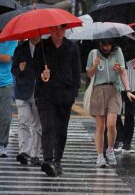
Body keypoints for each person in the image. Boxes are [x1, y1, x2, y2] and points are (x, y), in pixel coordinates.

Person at [33, 25, 81, 177]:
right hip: (45, 95)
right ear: (50, 30)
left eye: (61, 29)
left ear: (65, 30)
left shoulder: (72, 48)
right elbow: (34, 67)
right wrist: (42, 74)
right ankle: (48, 160)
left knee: (61, 131)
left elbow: (76, 73)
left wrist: (73, 94)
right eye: (55, 29)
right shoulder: (42, 46)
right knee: (47, 127)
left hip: (65, 96)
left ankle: (58, 160)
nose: (58, 32)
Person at [86, 38, 135, 168]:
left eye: (109, 44)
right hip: (98, 90)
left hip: (115, 90)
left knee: (111, 124)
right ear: (99, 44)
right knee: (100, 126)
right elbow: (89, 74)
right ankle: (100, 156)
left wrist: (128, 90)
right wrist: (94, 66)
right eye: (104, 44)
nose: (107, 47)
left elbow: (123, 72)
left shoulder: (117, 52)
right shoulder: (93, 53)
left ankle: (110, 149)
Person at [12, 36, 42, 166]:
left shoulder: (45, 48)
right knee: (23, 122)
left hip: (40, 92)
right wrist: (20, 69)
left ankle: (35, 154)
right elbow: (13, 69)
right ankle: (24, 152)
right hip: (22, 91)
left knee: (37, 125)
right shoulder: (20, 48)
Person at [114, 58, 135, 153]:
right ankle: (119, 138)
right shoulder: (118, 49)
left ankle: (127, 143)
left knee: (130, 115)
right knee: (116, 112)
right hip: (118, 85)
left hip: (134, 85)